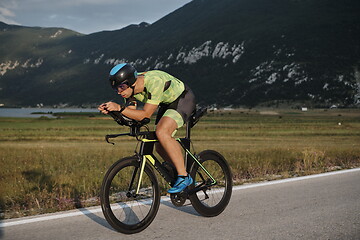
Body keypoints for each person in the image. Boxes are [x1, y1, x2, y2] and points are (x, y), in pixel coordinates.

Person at [98, 63, 196, 193]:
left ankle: (184, 176)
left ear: (131, 82)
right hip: (166, 103)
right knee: (159, 144)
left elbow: (145, 115)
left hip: (183, 99)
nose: (119, 92)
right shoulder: (129, 91)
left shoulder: (153, 82)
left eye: (121, 87)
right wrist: (113, 112)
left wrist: (119, 108)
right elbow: (131, 114)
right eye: (116, 89)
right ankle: (178, 170)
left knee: (163, 132)